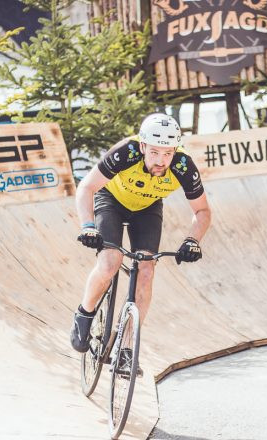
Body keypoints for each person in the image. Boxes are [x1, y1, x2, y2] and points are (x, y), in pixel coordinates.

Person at [70, 113, 211, 354]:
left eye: (168, 153)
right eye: (155, 152)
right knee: (109, 263)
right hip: (111, 200)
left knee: (146, 270)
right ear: (143, 146)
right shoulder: (126, 152)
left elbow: (202, 210)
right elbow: (87, 187)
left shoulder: (183, 165)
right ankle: (84, 314)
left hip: (147, 208)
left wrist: (192, 240)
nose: (161, 161)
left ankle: (125, 348)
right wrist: (88, 225)